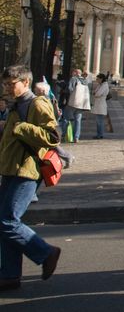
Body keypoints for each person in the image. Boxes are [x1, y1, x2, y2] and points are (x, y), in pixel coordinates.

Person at [0, 65, 61, 290]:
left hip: (27, 171)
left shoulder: (37, 103)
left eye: (11, 84)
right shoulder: (16, 106)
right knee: (4, 221)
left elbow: (53, 136)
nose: (7, 88)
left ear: (25, 82)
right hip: (10, 169)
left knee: (7, 220)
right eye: (5, 84)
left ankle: (46, 252)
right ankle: (9, 274)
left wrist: (21, 127)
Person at [64, 68, 90, 142]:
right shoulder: (85, 81)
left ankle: (66, 135)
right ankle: (76, 137)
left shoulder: (73, 79)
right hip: (81, 104)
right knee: (78, 120)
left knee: (67, 119)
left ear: (75, 73)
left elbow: (70, 88)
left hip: (73, 102)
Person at [90, 73, 109, 139]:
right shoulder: (100, 85)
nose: (96, 80)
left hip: (101, 105)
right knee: (98, 121)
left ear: (101, 79)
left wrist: (95, 94)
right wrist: (95, 93)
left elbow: (98, 94)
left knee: (100, 121)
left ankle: (100, 134)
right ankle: (99, 134)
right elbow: (95, 92)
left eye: (97, 79)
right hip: (98, 104)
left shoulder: (104, 85)